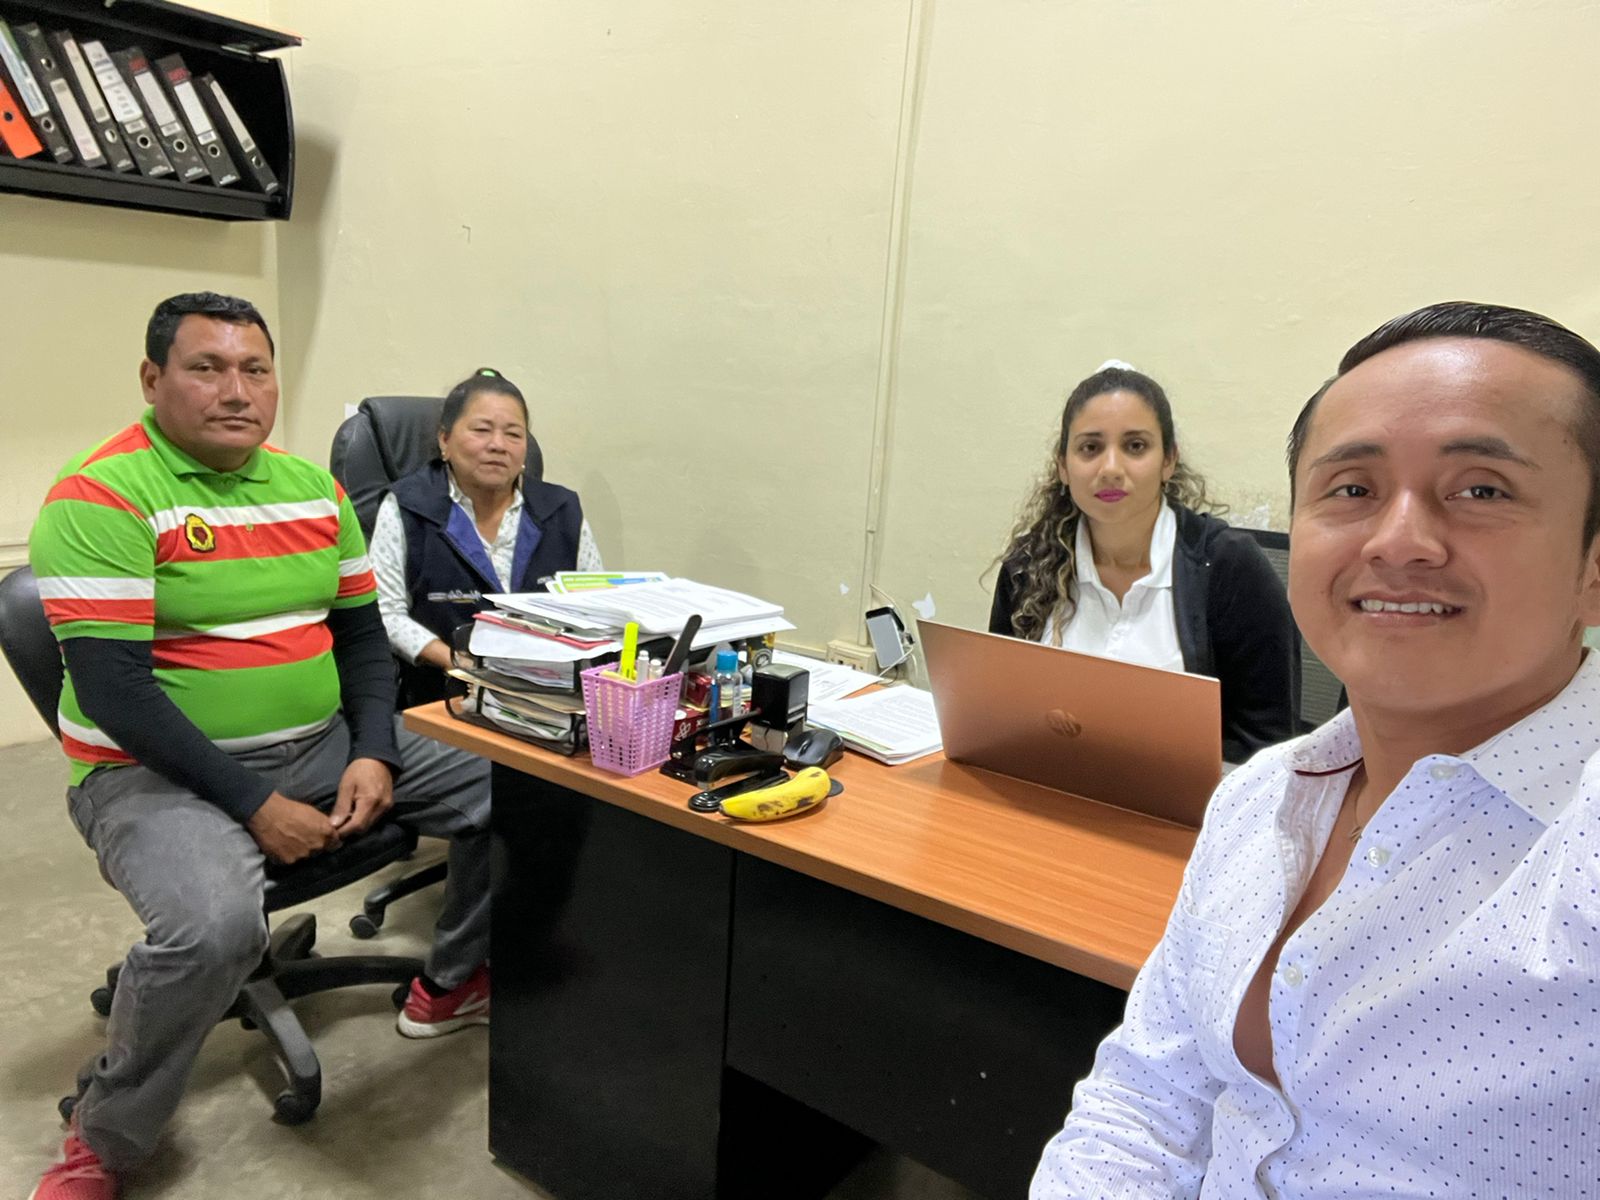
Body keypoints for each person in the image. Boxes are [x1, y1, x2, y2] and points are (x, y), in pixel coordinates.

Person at [1031, 301, 1600, 1198]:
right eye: (1352, 490)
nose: (1399, 540)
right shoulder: (1259, 801)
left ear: (1594, 566)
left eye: (1482, 489)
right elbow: (1145, 1101)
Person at [28, 293, 495, 1200]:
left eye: (256, 369)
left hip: (321, 743)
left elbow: (361, 638)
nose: (237, 391)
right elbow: (118, 694)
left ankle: (452, 981)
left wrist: (373, 750)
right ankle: (106, 1137)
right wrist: (253, 804)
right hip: (149, 773)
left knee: (527, 784)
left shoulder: (313, 490)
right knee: (212, 929)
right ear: (153, 378)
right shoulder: (102, 494)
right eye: (206, 368)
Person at [990, 363, 1296, 762]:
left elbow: (1268, 749)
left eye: (1135, 446)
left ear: (1168, 460)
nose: (1111, 469)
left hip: (1188, 799)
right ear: (1063, 466)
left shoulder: (1231, 568)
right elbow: (1000, 711)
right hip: (1047, 782)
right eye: (1090, 448)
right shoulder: (1028, 567)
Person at [369, 367, 602, 706]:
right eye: (481, 430)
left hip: (548, 702)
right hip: (443, 699)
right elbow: (386, 613)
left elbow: (595, 607)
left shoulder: (562, 511)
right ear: (444, 441)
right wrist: (459, 663)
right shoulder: (407, 508)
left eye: (513, 434)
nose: (498, 445)